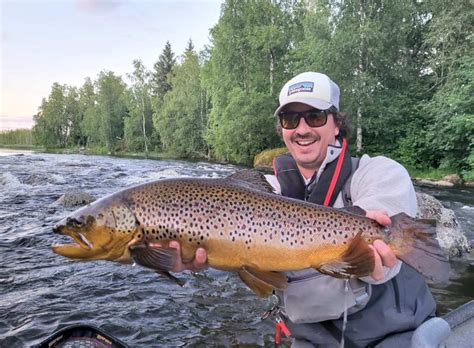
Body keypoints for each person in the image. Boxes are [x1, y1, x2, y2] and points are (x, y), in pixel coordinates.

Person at [158, 72, 437, 347]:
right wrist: (206, 253)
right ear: (282, 129)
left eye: (315, 116)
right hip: (311, 340)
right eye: (290, 119)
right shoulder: (265, 191)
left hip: (394, 336)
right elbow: (260, 274)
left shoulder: (380, 173)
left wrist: (368, 248)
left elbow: (385, 262)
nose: (302, 129)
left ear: (336, 124)